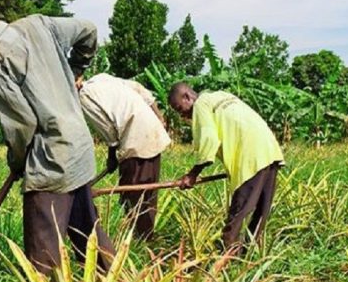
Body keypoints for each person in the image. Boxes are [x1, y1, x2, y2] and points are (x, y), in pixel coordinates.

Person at [0, 0, 115, 275]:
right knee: (86, 229)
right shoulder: (39, 25)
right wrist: (76, 69)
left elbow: (21, 125)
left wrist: (17, 163)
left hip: (51, 159)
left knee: (44, 251)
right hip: (79, 148)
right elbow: (88, 30)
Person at [168, 82, 284, 252]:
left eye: (180, 108)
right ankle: (251, 257)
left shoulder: (200, 104)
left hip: (250, 157)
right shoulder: (221, 95)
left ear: (187, 97)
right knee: (260, 213)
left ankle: (228, 263)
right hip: (270, 151)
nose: (181, 115)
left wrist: (192, 175)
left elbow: (209, 140)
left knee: (235, 220)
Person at [77, 73, 171, 240]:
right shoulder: (102, 78)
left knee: (135, 194)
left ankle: (141, 240)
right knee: (147, 190)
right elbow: (140, 90)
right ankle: (142, 237)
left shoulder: (84, 96)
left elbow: (108, 130)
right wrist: (159, 117)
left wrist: (112, 156)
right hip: (152, 128)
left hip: (136, 137)